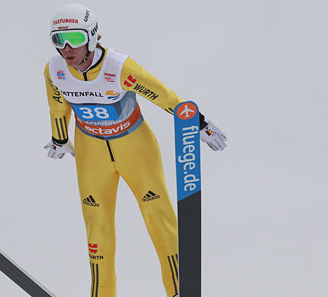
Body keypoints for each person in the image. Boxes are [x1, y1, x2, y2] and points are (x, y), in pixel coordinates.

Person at [43, 4, 227, 297]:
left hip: (134, 147)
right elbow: (57, 104)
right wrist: (59, 138)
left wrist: (198, 123)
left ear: (91, 36)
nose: (66, 48)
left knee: (159, 218)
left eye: (75, 39)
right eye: (58, 39)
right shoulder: (54, 70)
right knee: (97, 231)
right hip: (92, 153)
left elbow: (161, 93)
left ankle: (179, 290)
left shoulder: (118, 66)